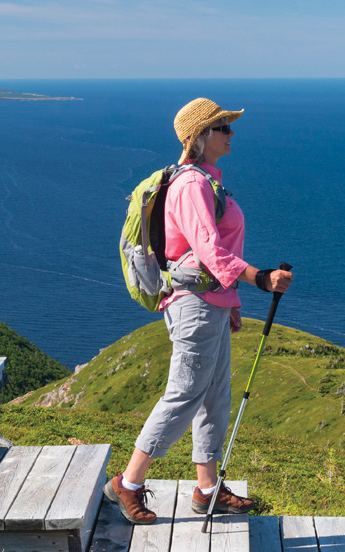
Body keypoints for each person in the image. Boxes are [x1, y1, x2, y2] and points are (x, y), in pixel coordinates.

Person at [103, 98, 293, 524]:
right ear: (202, 136)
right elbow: (208, 249)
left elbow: (205, 252)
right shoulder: (192, 185)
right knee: (185, 394)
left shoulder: (206, 180)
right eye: (224, 126)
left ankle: (208, 489)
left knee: (213, 397)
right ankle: (127, 483)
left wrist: (231, 303)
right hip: (194, 304)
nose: (231, 132)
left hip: (210, 302)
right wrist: (258, 278)